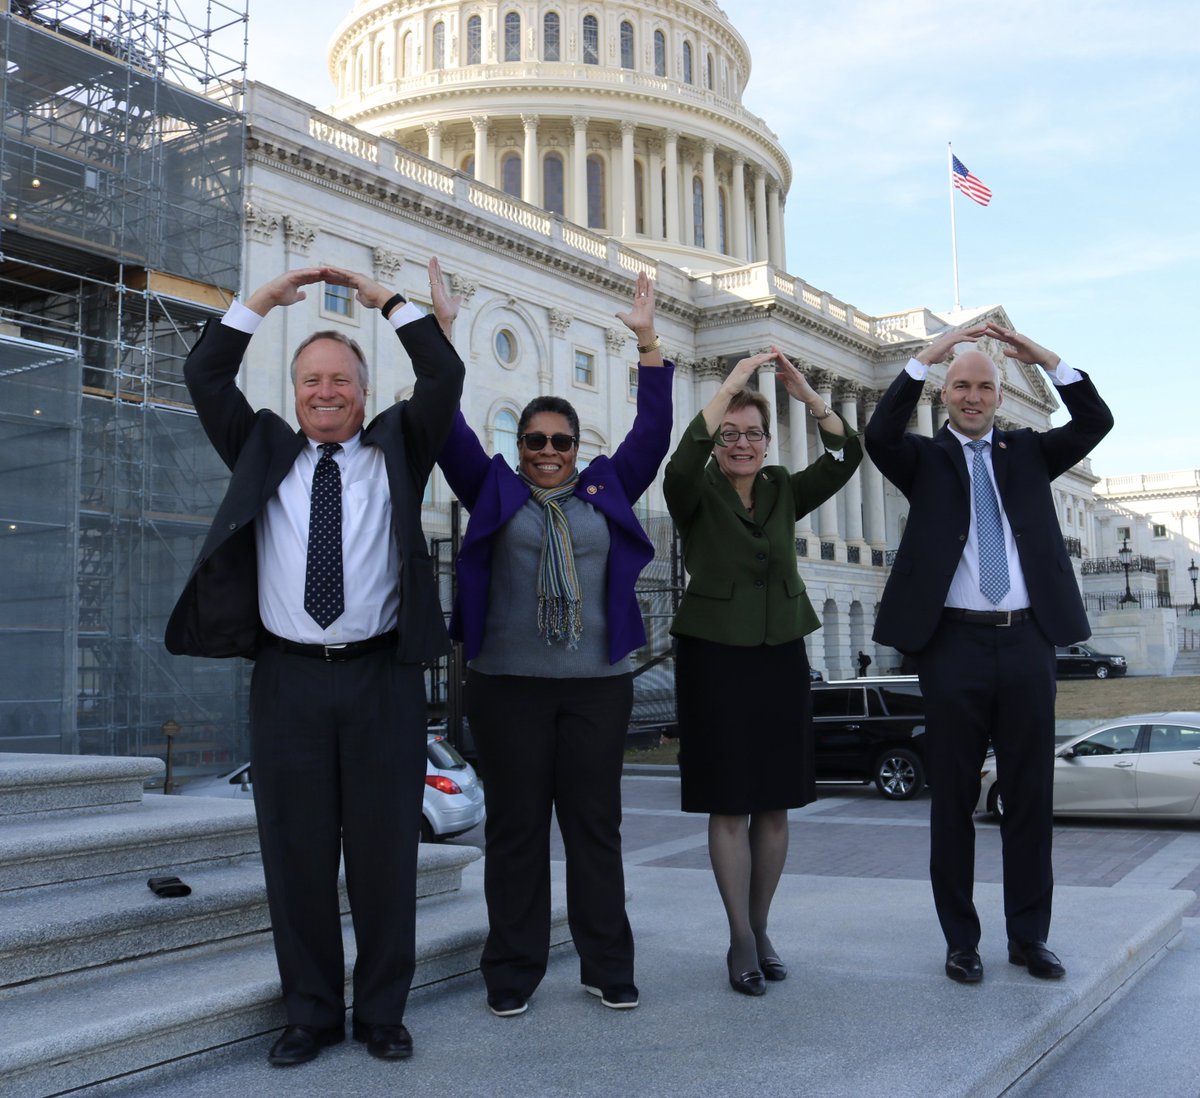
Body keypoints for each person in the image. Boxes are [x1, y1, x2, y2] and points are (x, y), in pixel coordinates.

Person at [165, 259, 464, 1066]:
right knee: (294, 856)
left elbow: (443, 375)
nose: (325, 393)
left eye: (340, 381)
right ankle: (310, 1015)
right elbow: (204, 373)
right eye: (311, 381)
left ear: (364, 392)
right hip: (288, 680)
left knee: (385, 855)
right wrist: (264, 300)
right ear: (294, 392)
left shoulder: (401, 446)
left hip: (381, 679)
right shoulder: (260, 447)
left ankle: (382, 1014)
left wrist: (388, 302)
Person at [436, 272, 672, 1018]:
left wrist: (646, 342)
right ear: (519, 446)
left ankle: (607, 967)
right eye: (534, 440)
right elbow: (446, 426)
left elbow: (652, 434)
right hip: (507, 687)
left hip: (597, 688)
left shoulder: (607, 488)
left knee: (594, 830)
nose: (546, 451)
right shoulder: (494, 491)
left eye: (559, 441)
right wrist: (441, 335)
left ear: (575, 447)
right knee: (515, 833)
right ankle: (512, 972)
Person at [864, 321, 1113, 986]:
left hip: (1028, 639)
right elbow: (878, 435)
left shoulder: (1028, 452)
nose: (972, 396)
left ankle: (1030, 937)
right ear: (944, 393)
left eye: (984, 386)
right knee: (952, 801)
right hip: (953, 645)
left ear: (1001, 396)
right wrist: (927, 356)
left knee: (1030, 797)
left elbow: (1096, 420)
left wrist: (1044, 358)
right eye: (960, 385)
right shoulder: (922, 460)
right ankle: (961, 942)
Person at [663, 349, 862, 995]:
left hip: (779, 652)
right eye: (730, 435)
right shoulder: (695, 490)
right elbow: (680, 463)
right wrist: (731, 386)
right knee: (729, 803)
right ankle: (739, 940)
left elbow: (846, 457)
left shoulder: (781, 488)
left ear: (768, 442)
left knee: (774, 803)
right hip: (715, 656)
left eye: (753, 434)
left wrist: (812, 399)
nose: (742, 444)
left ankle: (762, 925)